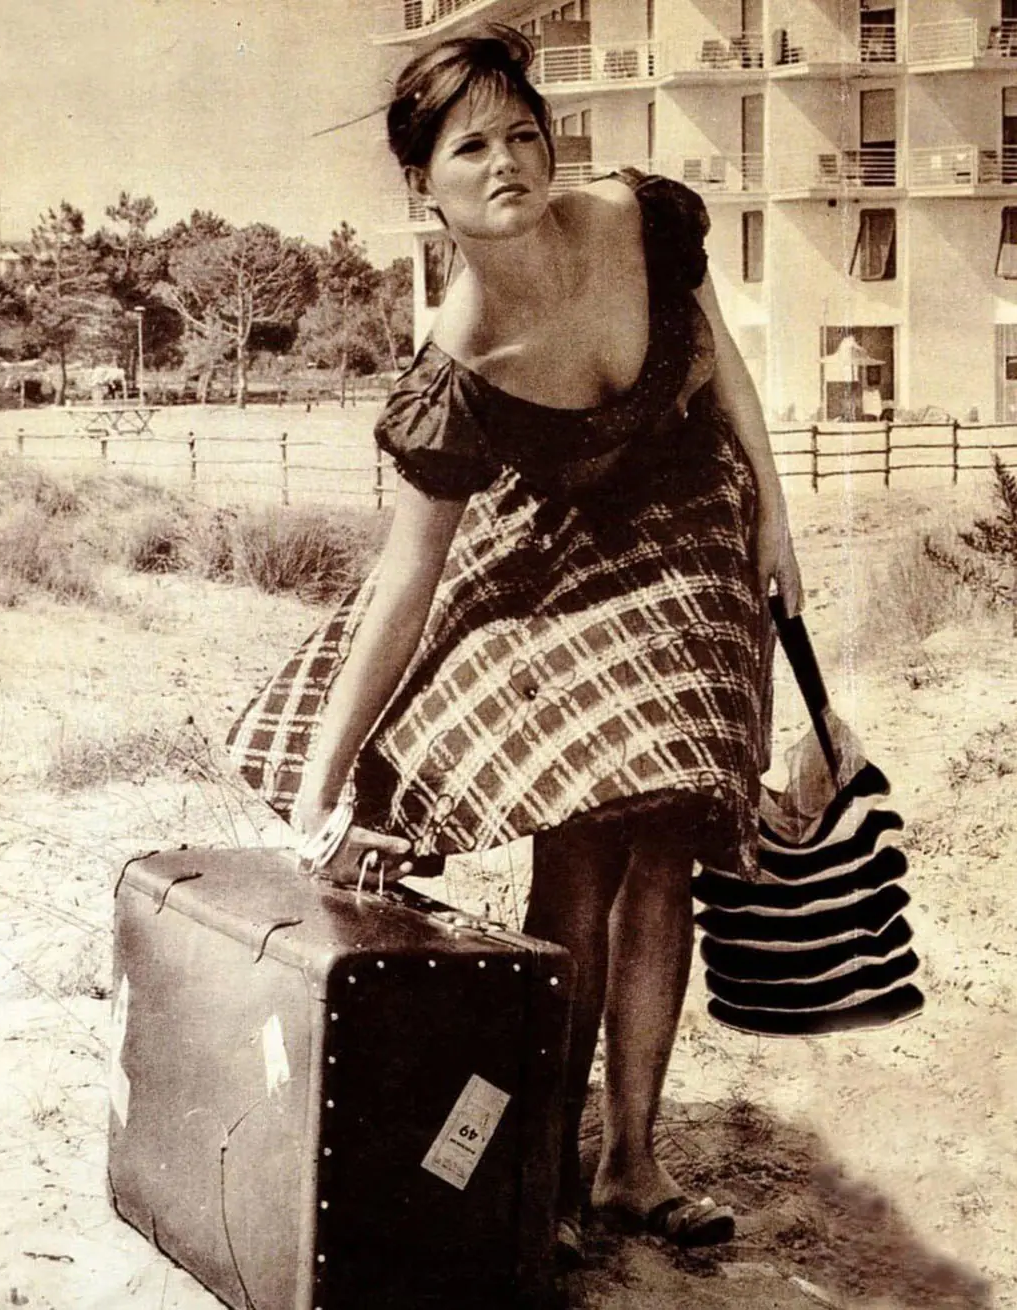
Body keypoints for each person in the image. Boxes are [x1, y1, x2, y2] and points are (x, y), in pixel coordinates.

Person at [227, 24, 801, 1263]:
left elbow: (728, 370)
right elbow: (403, 588)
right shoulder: (458, 361)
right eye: (471, 147)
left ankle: (632, 1162)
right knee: (581, 840)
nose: (508, 163)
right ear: (423, 185)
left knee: (669, 829)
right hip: (558, 543)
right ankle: (544, 1162)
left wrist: (777, 516)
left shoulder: (642, 218)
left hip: (692, 512)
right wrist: (322, 789)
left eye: (523, 134)